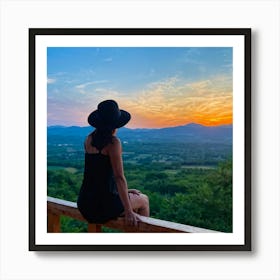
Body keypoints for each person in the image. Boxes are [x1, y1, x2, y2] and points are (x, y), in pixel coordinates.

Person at [77, 100, 149, 227]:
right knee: (144, 200)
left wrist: (125, 192)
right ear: (115, 125)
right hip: (104, 206)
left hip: (85, 203)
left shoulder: (88, 139)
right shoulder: (113, 143)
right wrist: (128, 211)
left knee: (133, 196)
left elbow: (97, 175)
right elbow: (119, 177)